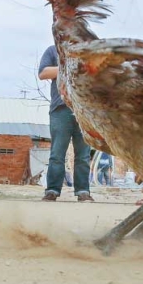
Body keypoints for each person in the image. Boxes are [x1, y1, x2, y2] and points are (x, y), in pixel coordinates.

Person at [38, 45, 94, 202]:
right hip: (60, 109)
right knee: (57, 154)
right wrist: (69, 68)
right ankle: (52, 190)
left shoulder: (88, 51)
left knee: (83, 154)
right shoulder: (51, 51)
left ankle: (83, 191)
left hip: (85, 110)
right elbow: (43, 73)